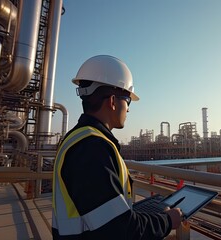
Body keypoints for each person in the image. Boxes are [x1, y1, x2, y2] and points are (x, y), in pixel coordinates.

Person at [52, 55, 182, 239]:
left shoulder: (80, 138)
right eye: (127, 100)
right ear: (113, 101)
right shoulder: (91, 148)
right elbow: (120, 231)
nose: (128, 109)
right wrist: (168, 221)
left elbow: (106, 215)